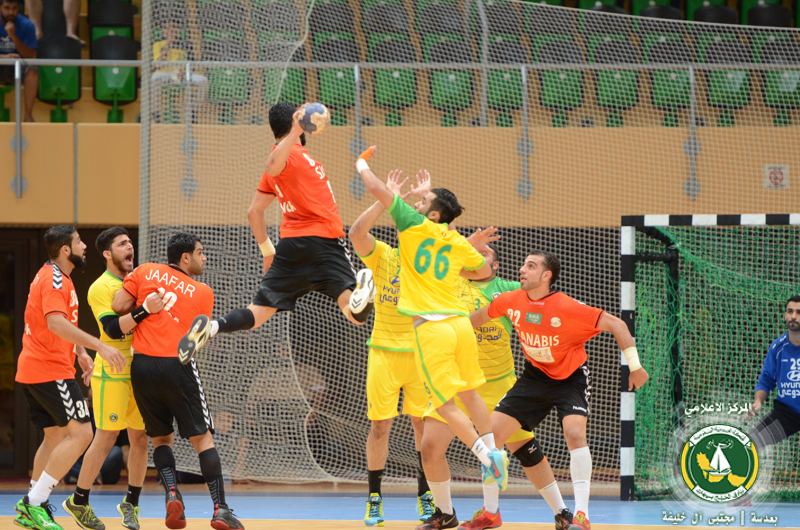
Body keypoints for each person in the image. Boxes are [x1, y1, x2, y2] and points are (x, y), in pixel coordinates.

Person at [355, 146, 509, 530]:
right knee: (469, 395)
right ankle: (491, 450)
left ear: (432, 214)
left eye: (423, 202)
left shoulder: (414, 227)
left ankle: (485, 457)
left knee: (444, 406)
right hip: (458, 328)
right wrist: (463, 248)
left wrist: (362, 164)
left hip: (432, 332)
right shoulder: (449, 242)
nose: (417, 203)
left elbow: (378, 190)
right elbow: (480, 271)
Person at [176, 102, 375, 364]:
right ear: (298, 125)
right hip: (325, 241)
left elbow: (254, 212)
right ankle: (363, 289)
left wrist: (268, 252)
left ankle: (211, 328)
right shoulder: (290, 154)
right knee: (354, 313)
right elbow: (271, 165)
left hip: (292, 246)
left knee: (258, 313)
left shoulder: (290, 158)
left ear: (272, 130)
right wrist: (296, 130)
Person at [470, 251, 650, 530]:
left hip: (570, 379)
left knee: (575, 433)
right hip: (534, 378)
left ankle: (581, 515)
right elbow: (476, 318)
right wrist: (441, 330)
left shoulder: (566, 306)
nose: (522, 269)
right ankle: (491, 512)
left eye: (530, 266)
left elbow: (616, 323)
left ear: (546, 276)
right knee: (492, 438)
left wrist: (635, 366)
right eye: (523, 264)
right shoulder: (510, 300)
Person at [426, 242, 573, 530]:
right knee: (430, 446)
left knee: (524, 448)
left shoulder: (509, 289)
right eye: (471, 252)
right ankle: (445, 513)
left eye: (483, 254)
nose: (474, 256)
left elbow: (545, 300)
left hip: (498, 383)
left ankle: (561, 512)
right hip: (456, 381)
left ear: (495, 266)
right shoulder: (450, 282)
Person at [111, 233, 244, 530]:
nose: (204, 258)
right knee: (203, 439)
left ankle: (172, 493)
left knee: (161, 439)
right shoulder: (203, 292)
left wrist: (145, 304)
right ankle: (220, 509)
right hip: (178, 364)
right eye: (200, 252)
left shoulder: (144, 271)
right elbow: (198, 338)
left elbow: (118, 305)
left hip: (142, 366)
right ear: (185, 257)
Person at [14, 225, 126, 530]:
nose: (84, 246)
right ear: (66, 249)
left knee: (54, 436)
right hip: (49, 370)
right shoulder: (54, 280)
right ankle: (34, 503)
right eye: (79, 242)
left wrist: (80, 351)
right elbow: (55, 323)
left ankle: (33, 505)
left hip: (35, 369)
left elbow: (59, 322)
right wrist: (100, 345)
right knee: (83, 434)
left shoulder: (54, 275)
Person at [348, 170, 434, 526]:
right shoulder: (384, 256)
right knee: (380, 427)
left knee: (423, 426)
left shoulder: (430, 261)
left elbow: (440, 230)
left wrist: (425, 199)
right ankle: (374, 499)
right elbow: (355, 234)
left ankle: (426, 495)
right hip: (383, 352)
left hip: (421, 354)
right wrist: (384, 200)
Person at [62, 227, 158, 530]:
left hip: (140, 371)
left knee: (140, 439)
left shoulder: (139, 281)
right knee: (106, 437)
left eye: (130, 243)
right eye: (122, 244)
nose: (130, 248)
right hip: (112, 373)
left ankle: (131, 504)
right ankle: (79, 500)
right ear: (107, 253)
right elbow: (113, 330)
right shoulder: (100, 287)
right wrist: (144, 310)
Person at [746, 296, 800, 450]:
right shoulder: (778, 347)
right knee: (749, 444)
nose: (794, 316)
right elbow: (766, 380)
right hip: (787, 413)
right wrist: (758, 401)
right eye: (790, 311)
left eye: (799, 312)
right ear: (785, 316)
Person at [0, 0, 37, 122]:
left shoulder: (27, 25)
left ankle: (28, 116)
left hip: (18, 67)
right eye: (7, 8)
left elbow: (30, 55)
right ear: (0, 8)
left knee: (32, 70)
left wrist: (13, 36)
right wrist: (5, 58)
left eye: (14, 8)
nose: (11, 12)